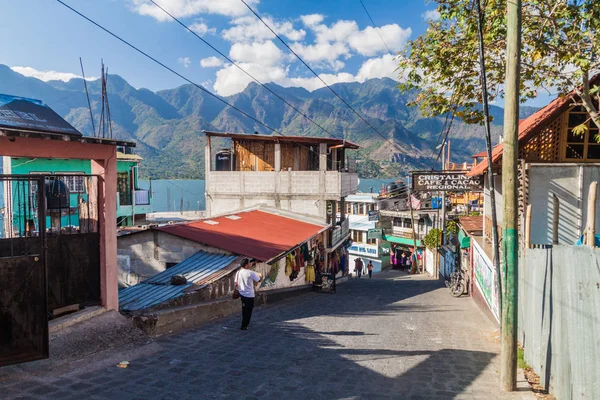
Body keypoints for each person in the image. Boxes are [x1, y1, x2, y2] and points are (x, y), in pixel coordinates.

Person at [235, 258, 263, 330]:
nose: (250, 264)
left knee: (244, 308)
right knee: (249, 310)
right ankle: (245, 325)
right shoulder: (251, 273)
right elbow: (258, 280)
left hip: (242, 293)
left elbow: (236, 283)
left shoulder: (238, 272)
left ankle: (244, 322)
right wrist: (260, 275)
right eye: (249, 263)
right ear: (246, 265)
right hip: (249, 294)